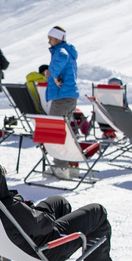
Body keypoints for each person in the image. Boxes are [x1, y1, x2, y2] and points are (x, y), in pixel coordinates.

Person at [44, 25, 80, 178]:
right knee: (67, 133)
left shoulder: (61, 51)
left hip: (62, 97)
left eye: (51, 39)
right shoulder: (68, 51)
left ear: (58, 39)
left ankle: (61, 167)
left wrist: (53, 75)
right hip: (69, 96)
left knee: (56, 132)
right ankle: (72, 166)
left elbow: (62, 58)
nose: (49, 42)